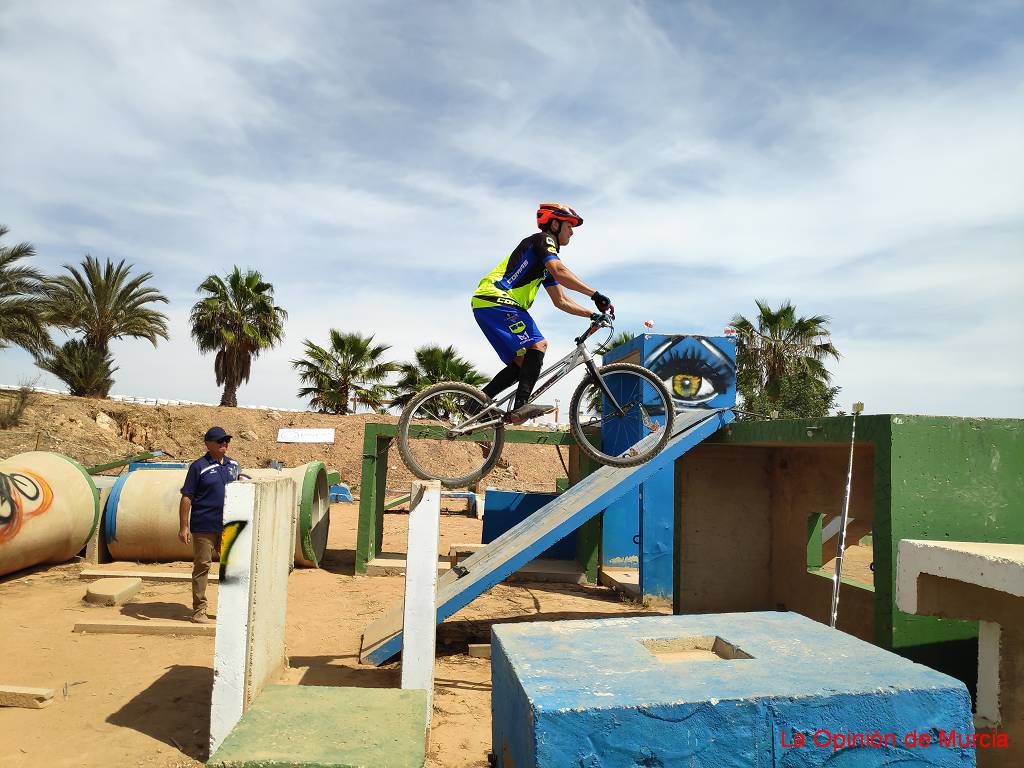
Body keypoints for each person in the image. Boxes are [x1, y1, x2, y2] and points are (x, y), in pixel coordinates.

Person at [471, 202, 612, 424]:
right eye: (569, 226)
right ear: (555, 224)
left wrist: (591, 315)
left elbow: (561, 301)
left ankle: (473, 404)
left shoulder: (544, 266)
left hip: (486, 304)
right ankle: (520, 407)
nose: (572, 232)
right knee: (539, 345)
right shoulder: (543, 240)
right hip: (496, 298)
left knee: (522, 364)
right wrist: (595, 295)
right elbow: (560, 270)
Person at [178, 426, 240, 623]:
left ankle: (230, 610)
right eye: (220, 441)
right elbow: (187, 497)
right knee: (203, 566)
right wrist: (184, 526)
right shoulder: (198, 467)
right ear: (208, 444)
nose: (225, 444)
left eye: (226, 441)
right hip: (204, 525)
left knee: (231, 568)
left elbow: (242, 490)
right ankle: (199, 610)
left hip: (229, 525)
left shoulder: (233, 465)